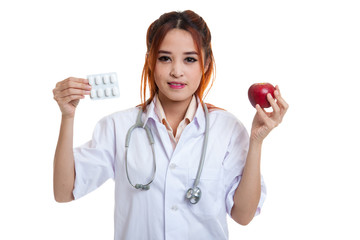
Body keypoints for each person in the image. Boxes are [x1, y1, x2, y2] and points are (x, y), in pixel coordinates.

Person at [52, 10, 288, 240]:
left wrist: (256, 141)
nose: (177, 71)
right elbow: (64, 191)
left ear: (205, 64)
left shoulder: (226, 128)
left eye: (189, 59)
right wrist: (68, 116)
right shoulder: (118, 127)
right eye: (165, 58)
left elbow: (243, 215)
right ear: (151, 62)